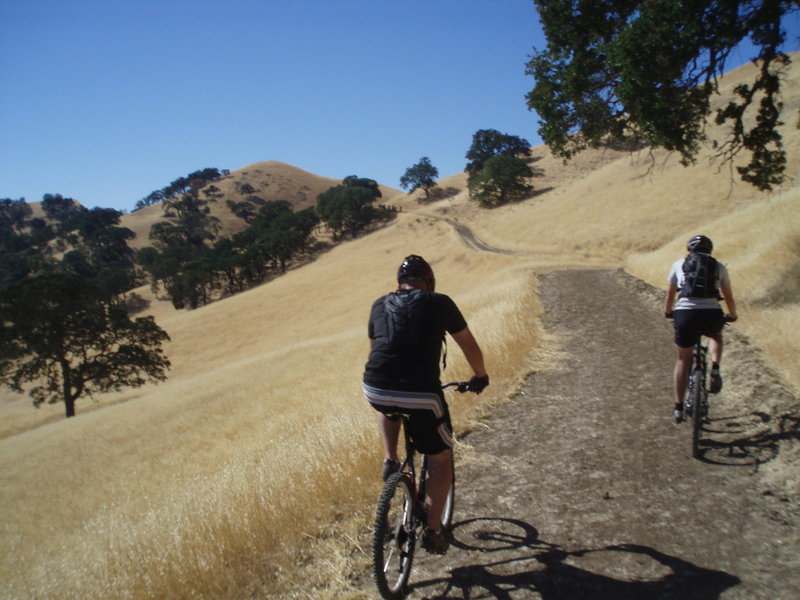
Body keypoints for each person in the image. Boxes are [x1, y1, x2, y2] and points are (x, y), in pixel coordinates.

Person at [362, 255, 489, 554]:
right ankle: (433, 531)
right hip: (421, 393)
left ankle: (390, 459)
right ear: (429, 282)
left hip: (375, 387)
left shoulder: (379, 304)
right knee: (440, 458)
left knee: (389, 407)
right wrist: (480, 376)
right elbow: (468, 345)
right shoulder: (440, 302)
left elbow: (376, 350)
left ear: (399, 284)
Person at [664, 235, 737, 422]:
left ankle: (678, 408)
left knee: (683, 359)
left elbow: (671, 292)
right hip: (711, 314)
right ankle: (715, 368)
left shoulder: (679, 264)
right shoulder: (718, 266)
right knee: (715, 335)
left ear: (689, 249)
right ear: (709, 249)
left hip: (685, 315)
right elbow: (728, 296)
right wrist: (733, 315)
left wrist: (668, 312)